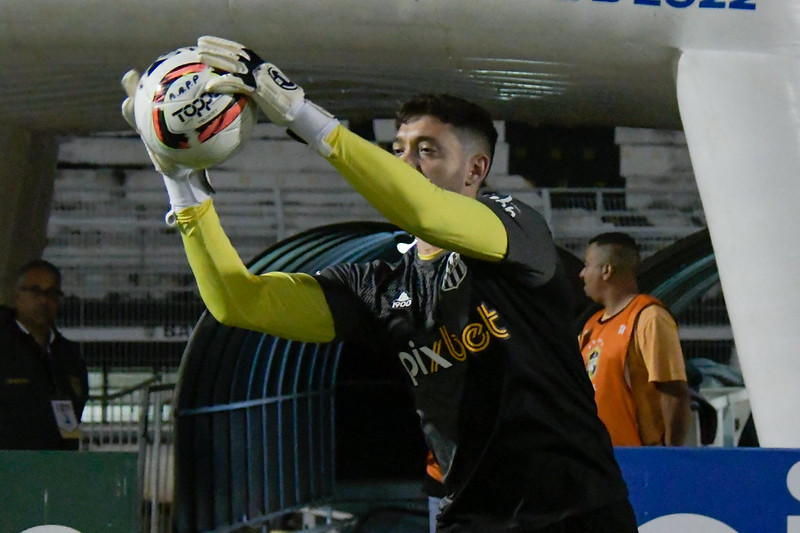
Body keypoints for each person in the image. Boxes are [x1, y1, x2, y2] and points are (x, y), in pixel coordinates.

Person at [122, 36, 638, 532]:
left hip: (581, 513)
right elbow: (238, 301)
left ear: (476, 169)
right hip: (475, 518)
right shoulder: (380, 285)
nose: (407, 162)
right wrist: (181, 183)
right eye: (399, 149)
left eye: (427, 150)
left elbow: (424, 210)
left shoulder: (516, 227)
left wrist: (302, 115)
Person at [578, 232, 691, 446]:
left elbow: (674, 393)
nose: (582, 274)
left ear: (606, 270)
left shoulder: (648, 317)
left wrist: (670, 458)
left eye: (587, 265)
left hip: (639, 461)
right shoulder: (590, 327)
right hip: (601, 459)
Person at [0, 260, 88, 450]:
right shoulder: (5, 348)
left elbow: (74, 411)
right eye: (35, 291)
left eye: (51, 293)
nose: (43, 300)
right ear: (16, 294)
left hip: (55, 467)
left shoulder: (69, 356)